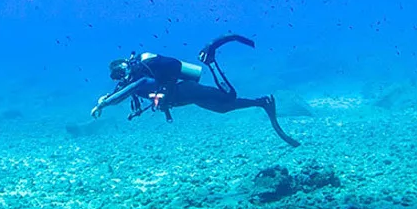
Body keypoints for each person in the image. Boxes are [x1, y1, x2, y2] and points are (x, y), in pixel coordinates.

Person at [90, 34, 301, 147]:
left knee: (229, 97)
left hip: (185, 91)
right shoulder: (134, 79)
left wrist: (104, 104)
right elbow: (121, 91)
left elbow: (131, 88)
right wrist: (105, 99)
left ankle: (211, 59)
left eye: (122, 74)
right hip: (182, 97)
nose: (123, 79)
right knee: (223, 108)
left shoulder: (140, 75)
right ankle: (261, 102)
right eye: (120, 78)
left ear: (126, 67)